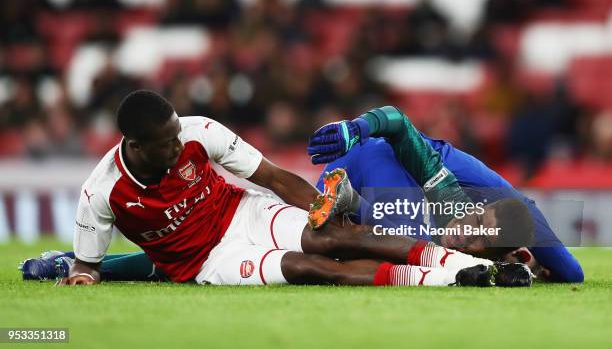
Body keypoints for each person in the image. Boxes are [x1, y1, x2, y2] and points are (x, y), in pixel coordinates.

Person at [22, 90, 531, 287]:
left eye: (179, 134)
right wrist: (82, 274)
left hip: (242, 212)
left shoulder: (200, 133)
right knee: (310, 268)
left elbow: (270, 177)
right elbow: (88, 269)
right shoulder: (101, 193)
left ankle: (475, 269)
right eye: (167, 142)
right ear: (135, 144)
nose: (181, 145)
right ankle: (447, 279)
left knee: (335, 237)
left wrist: (321, 211)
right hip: (203, 261)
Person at [307, 106, 584, 283]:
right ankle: (349, 202)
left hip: (346, 175)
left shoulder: (469, 248)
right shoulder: (450, 195)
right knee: (413, 246)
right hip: (368, 154)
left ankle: (344, 205)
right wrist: (357, 128)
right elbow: (399, 122)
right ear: (478, 207)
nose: (465, 232)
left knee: (310, 236)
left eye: (480, 239)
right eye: (476, 221)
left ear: (492, 255)